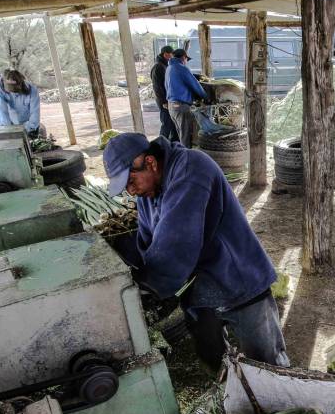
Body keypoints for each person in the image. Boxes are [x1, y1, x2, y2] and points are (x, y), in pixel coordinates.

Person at [103, 132, 289, 369]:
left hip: (237, 276)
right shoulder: (147, 191)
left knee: (267, 362)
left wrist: (150, 288)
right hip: (202, 286)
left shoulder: (191, 168)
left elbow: (175, 242)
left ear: (149, 162)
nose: (131, 191)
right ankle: (233, 397)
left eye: (130, 182)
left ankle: (283, 398)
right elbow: (147, 240)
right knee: (214, 357)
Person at [164, 48, 208, 148]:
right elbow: (195, 84)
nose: (186, 62)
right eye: (186, 60)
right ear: (184, 57)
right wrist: (205, 97)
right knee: (186, 137)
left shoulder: (169, 68)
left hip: (172, 106)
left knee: (181, 134)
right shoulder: (181, 68)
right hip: (181, 106)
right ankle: (186, 160)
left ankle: (182, 155)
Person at [0, 69, 42, 137]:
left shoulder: (32, 90)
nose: (13, 94)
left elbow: (35, 112)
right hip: (11, 123)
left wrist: (29, 128)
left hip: (28, 125)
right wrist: (7, 130)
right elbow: (2, 109)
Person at [150, 45, 177, 140]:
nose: (172, 57)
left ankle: (172, 144)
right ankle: (160, 145)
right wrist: (163, 102)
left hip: (167, 99)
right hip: (164, 100)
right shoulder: (158, 67)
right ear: (165, 54)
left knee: (172, 123)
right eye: (171, 55)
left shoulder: (165, 65)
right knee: (166, 123)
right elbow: (157, 87)